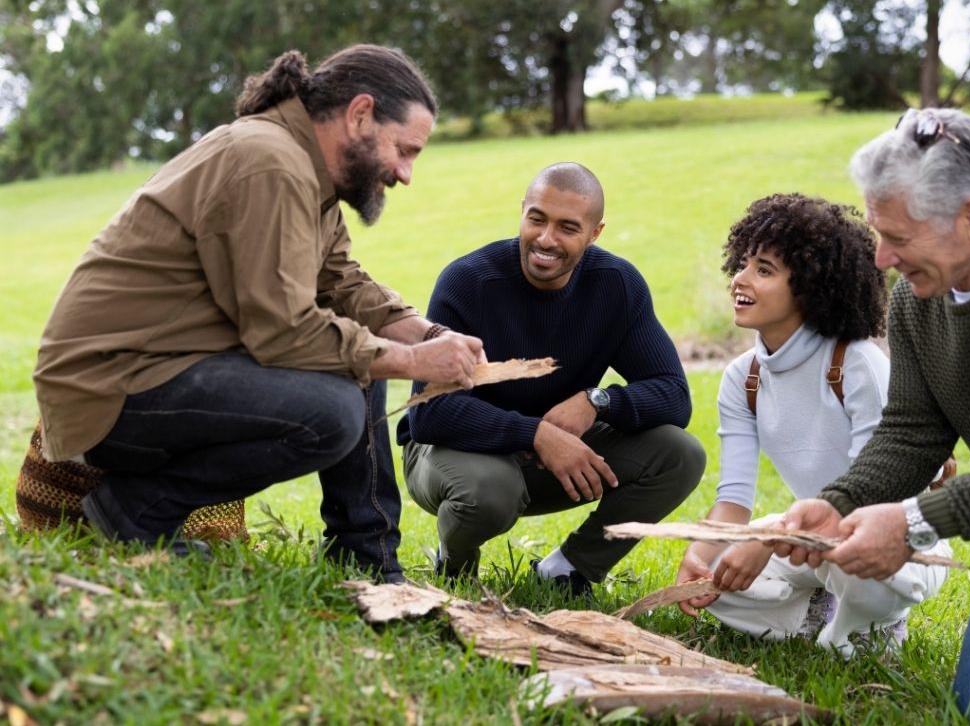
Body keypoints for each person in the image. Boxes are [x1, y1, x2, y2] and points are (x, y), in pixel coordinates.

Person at [33, 45, 485, 582]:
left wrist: (431, 336)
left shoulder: (302, 167)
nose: (405, 174)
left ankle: (367, 558)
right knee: (335, 409)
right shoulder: (268, 162)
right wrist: (413, 361)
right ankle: (135, 514)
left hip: (157, 371)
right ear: (360, 114)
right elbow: (284, 332)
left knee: (359, 359)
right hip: (109, 387)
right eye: (404, 150)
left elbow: (343, 284)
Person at [772, 109, 970, 722]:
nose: (883, 257)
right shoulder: (921, 297)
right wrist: (838, 502)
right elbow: (914, 430)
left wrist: (913, 521)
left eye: (899, 236)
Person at [397, 162, 706, 594]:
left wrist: (598, 401)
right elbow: (431, 414)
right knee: (489, 490)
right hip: (455, 453)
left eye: (567, 227)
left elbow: (674, 396)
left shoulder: (616, 285)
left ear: (595, 233)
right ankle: (456, 566)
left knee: (680, 454)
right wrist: (535, 433)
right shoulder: (468, 281)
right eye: (536, 219)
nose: (546, 239)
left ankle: (567, 570)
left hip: (552, 456)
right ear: (521, 212)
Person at [673, 193, 950, 655]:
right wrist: (700, 558)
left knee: (850, 556)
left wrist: (773, 537)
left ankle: (874, 626)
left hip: (892, 534)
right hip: (808, 535)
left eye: (764, 270)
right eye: (743, 264)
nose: (740, 280)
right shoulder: (743, 377)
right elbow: (734, 502)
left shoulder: (857, 364)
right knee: (721, 568)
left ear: (810, 288)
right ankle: (818, 614)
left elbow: (872, 498)